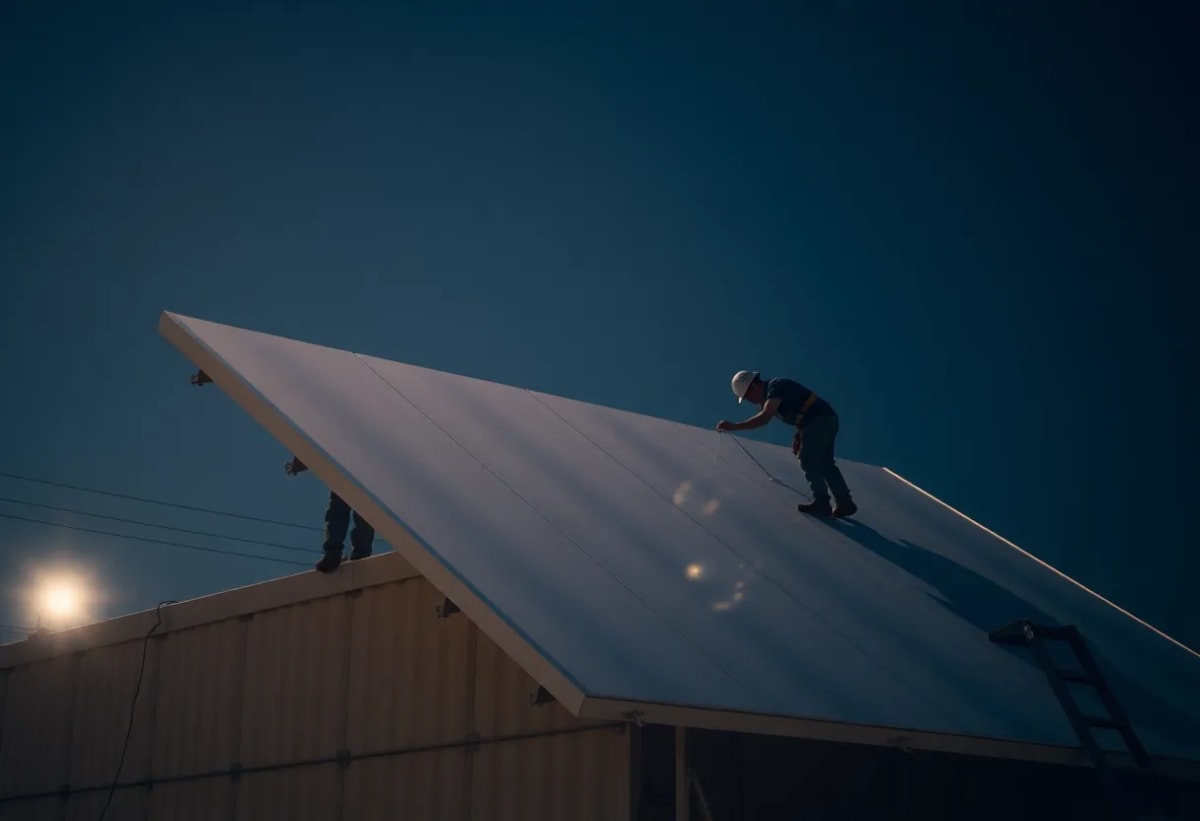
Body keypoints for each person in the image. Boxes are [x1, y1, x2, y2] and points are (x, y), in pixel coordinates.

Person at [717, 370, 857, 518]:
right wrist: (800, 434)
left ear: (755, 387)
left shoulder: (775, 387)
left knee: (808, 459)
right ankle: (845, 503)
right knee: (825, 463)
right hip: (826, 419)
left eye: (747, 397)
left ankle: (822, 503)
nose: (751, 401)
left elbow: (765, 417)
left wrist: (734, 426)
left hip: (819, 420)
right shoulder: (773, 392)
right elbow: (800, 410)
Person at [285, 456, 376, 572]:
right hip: (348, 464)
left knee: (359, 509)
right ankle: (338, 553)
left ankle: (358, 552)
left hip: (362, 464)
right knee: (341, 507)